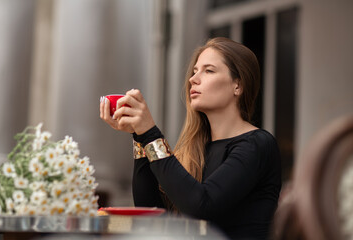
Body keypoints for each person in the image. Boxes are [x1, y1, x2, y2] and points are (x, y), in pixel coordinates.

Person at [99, 37, 281, 239]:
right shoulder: (194, 150)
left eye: (208, 70)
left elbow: (201, 205)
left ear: (237, 85)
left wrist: (150, 133)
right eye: (195, 71)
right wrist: (140, 136)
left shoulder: (258, 145)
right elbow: (152, 214)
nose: (193, 79)